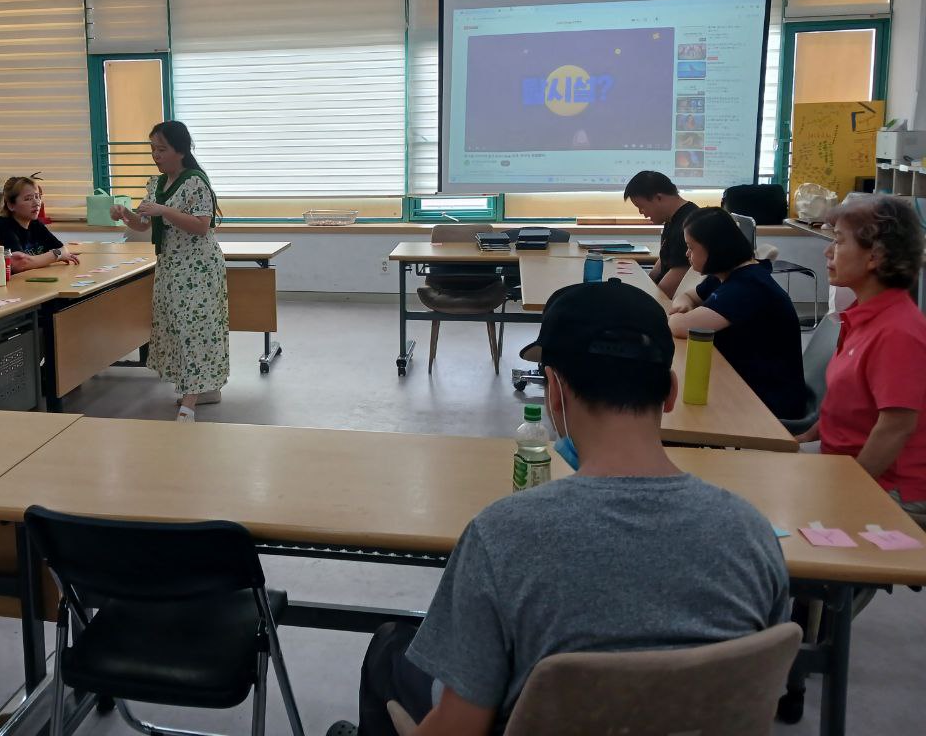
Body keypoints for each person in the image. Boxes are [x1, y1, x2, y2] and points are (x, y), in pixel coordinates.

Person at [334, 281, 789, 736]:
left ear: (555, 391)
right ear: (669, 391)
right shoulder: (751, 533)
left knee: (391, 649)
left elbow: (459, 726)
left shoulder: (502, 535)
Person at [799, 197, 926, 510]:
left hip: (884, 484)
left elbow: (895, 427)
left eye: (839, 242)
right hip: (842, 462)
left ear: (875, 256)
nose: (828, 252)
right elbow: (846, 402)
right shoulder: (862, 315)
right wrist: (804, 438)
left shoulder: (898, 331)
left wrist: (852, 496)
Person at [110, 121, 229, 421]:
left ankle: (190, 401)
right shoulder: (155, 184)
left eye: (161, 149)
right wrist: (126, 215)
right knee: (177, 329)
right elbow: (144, 223)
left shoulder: (195, 182)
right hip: (170, 267)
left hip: (198, 269)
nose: (156, 155)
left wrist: (164, 210)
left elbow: (202, 226)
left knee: (196, 329)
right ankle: (204, 389)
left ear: (181, 150)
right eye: (153, 149)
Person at [669, 207, 806, 423]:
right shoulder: (727, 273)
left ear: (714, 249)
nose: (687, 254)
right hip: (746, 379)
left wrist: (677, 315)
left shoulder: (749, 286)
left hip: (768, 399)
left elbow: (680, 327)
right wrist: (684, 305)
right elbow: (687, 295)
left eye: (691, 247)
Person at [624, 170, 697, 298]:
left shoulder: (689, 223)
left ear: (658, 198)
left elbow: (679, 273)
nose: (641, 212)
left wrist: (645, 298)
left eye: (641, 206)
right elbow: (664, 259)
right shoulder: (672, 219)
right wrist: (646, 282)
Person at [0, 175, 79, 272]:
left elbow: (63, 250)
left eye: (37, 197)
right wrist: (57, 255)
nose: (36, 202)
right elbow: (21, 263)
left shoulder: (35, 224)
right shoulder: (2, 226)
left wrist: (56, 254)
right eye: (28, 199)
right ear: (11, 205)